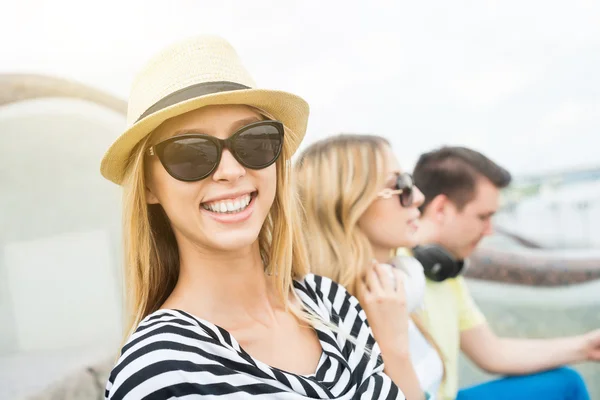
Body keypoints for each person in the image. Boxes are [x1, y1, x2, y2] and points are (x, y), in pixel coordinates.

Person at [101, 36, 407, 399]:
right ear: (149, 187)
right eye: (190, 153)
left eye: (254, 141)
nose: (230, 170)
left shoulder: (331, 302)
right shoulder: (158, 372)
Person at [411, 146, 600, 400]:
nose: (490, 230)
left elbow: (492, 353)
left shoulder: (445, 271)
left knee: (566, 383)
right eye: (483, 217)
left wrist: (586, 347)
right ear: (441, 208)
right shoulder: (392, 271)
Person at [294, 134, 445, 400]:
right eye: (401, 185)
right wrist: (392, 348)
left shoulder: (393, 288)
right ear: (345, 203)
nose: (419, 197)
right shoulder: (325, 323)